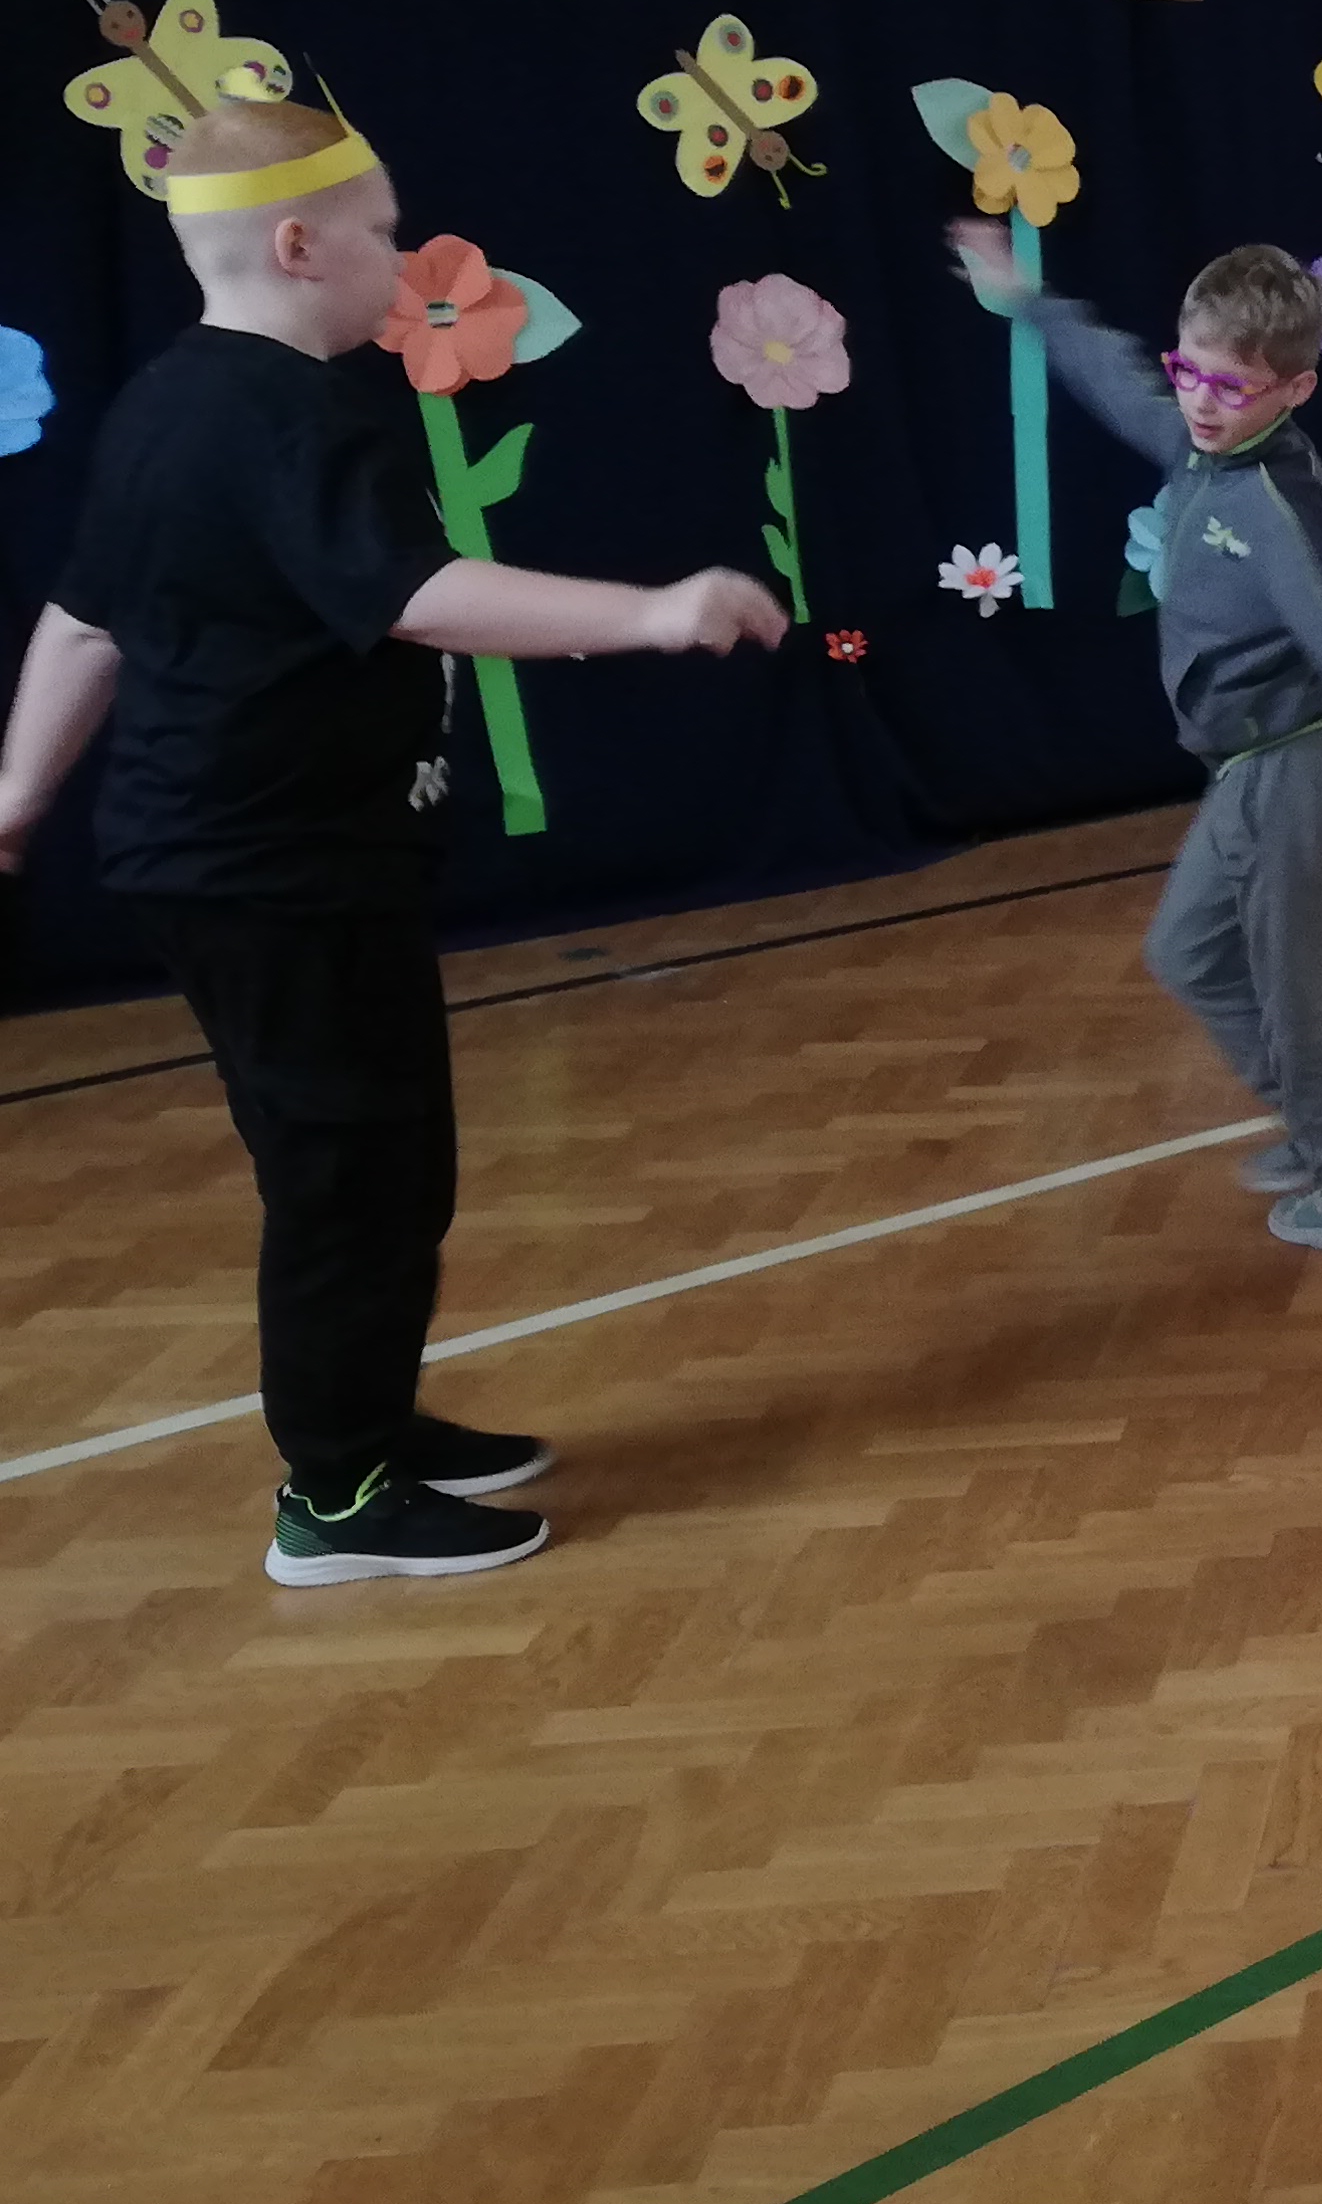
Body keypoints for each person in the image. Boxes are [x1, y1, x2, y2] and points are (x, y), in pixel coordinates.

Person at [0, 99, 787, 1585]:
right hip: (270, 871)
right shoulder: (283, 415)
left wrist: (14, 802)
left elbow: (83, 618)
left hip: (258, 867)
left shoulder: (173, 401)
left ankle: (366, 1424)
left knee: (384, 1165)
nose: (405, 255)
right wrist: (650, 612)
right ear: (300, 246)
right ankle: (336, 1499)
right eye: (383, 232)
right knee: (348, 1179)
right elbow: (421, 594)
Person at [956, 226, 1322, 1256]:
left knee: (1285, 983)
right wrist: (1026, 299)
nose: (1203, 402)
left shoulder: (1275, 503)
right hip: (1251, 767)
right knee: (1185, 953)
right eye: (1192, 373)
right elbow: (1114, 376)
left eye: (1234, 387)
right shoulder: (1199, 441)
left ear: (1296, 390)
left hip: (1297, 760)